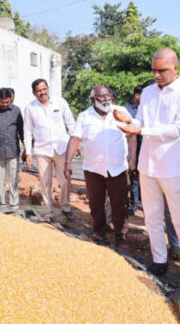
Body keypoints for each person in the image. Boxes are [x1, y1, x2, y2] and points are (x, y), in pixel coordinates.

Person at [116, 48, 180, 296]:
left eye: (162, 70)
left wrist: (140, 131)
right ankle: (160, 260)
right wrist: (127, 121)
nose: (156, 75)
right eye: (154, 70)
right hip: (148, 165)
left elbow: (177, 129)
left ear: (176, 68)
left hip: (173, 166)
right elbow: (140, 121)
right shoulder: (148, 92)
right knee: (152, 216)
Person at [66, 85, 134, 248]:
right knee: (96, 203)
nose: (106, 99)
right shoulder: (84, 116)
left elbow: (132, 134)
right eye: (101, 97)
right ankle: (99, 230)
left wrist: (133, 159)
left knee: (120, 203)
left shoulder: (120, 112)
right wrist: (68, 162)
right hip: (93, 169)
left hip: (117, 167)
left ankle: (121, 235)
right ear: (93, 99)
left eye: (108, 96)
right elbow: (75, 138)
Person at [23, 78, 76, 221]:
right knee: (45, 182)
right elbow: (27, 130)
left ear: (48, 88)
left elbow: (70, 123)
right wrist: (28, 152)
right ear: (34, 93)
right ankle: (48, 211)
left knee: (65, 179)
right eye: (38, 91)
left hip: (61, 147)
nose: (42, 92)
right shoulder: (30, 108)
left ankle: (65, 207)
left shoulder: (60, 102)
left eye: (44, 89)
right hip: (42, 150)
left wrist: (74, 144)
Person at [124, 84, 143, 215]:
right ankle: (134, 203)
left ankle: (142, 201)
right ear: (137, 95)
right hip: (132, 145)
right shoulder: (126, 110)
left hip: (145, 145)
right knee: (134, 174)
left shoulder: (146, 107)